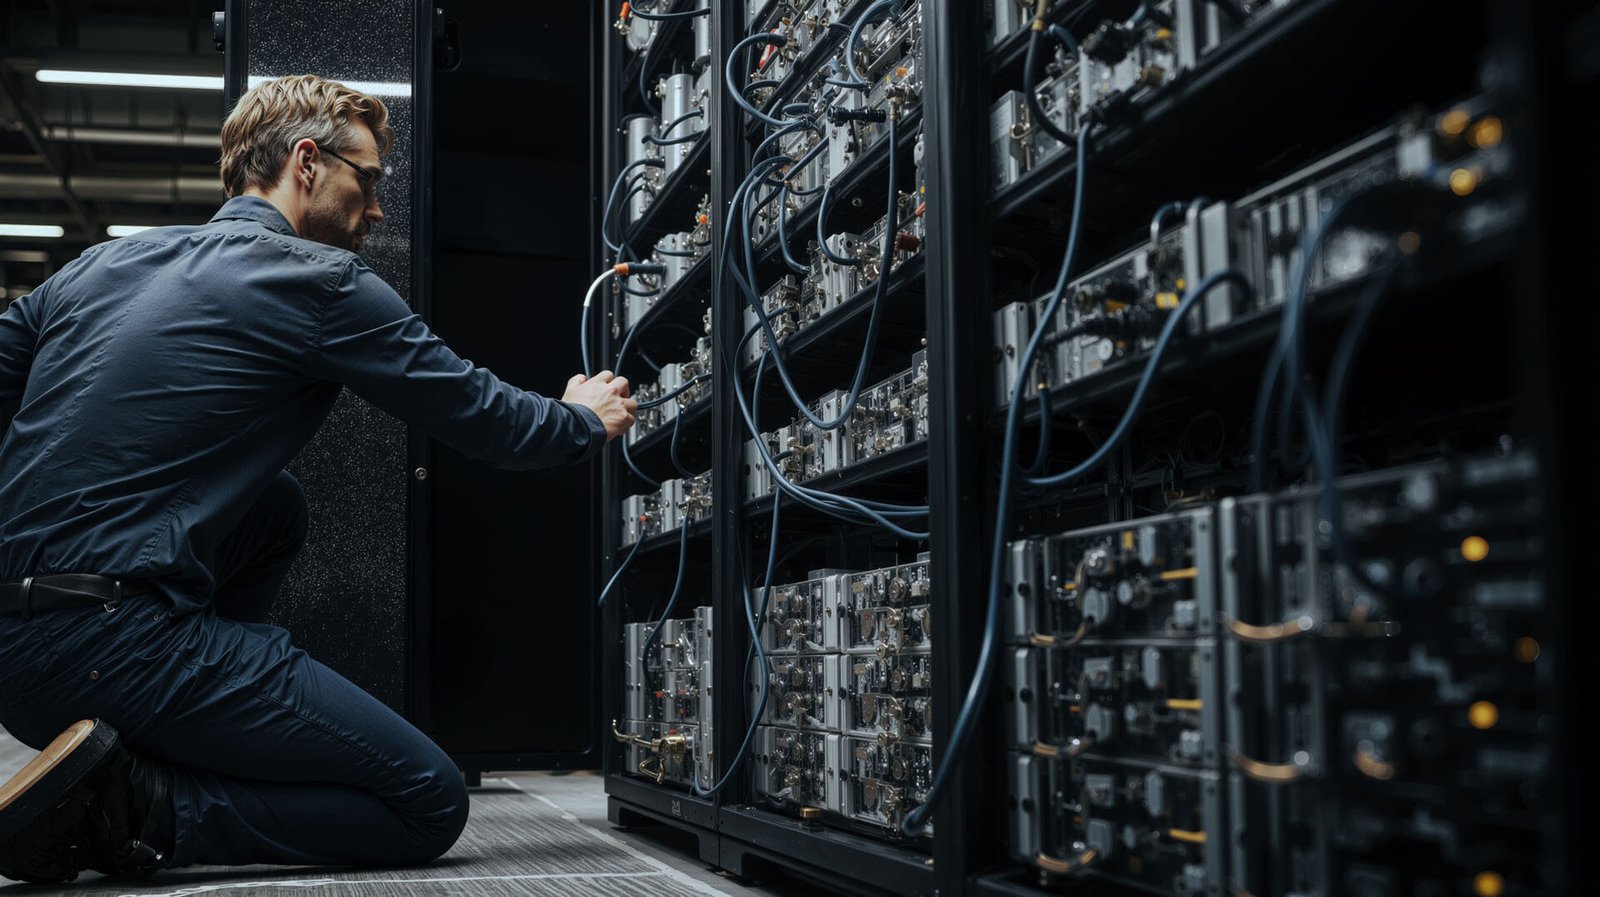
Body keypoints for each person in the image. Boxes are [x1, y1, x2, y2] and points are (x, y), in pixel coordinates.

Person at [0, 74, 635, 883]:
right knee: (426, 799)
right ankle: (142, 806)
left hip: (12, 659)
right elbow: (491, 419)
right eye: (366, 180)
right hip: (109, 647)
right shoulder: (318, 280)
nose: (375, 210)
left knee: (275, 508)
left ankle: (169, 716)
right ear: (305, 162)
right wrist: (580, 417)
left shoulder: (94, 267)